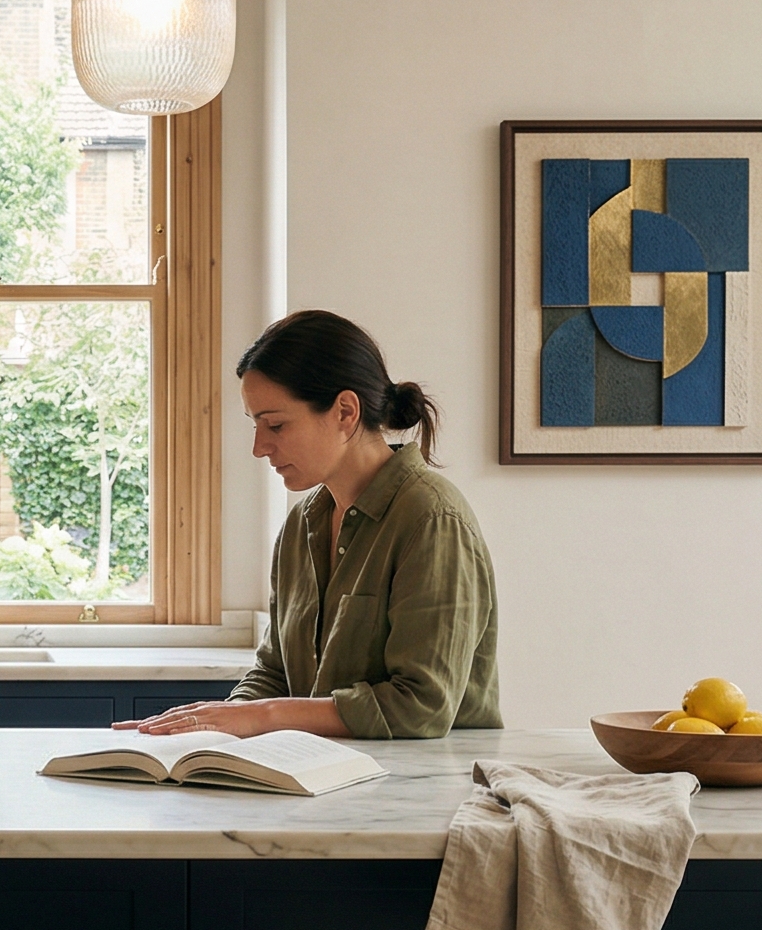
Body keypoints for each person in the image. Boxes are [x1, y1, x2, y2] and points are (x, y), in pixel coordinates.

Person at [122, 309, 500, 741]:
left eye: (276, 424)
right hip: (316, 785)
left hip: (414, 795)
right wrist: (210, 729)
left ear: (344, 411)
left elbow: (421, 707)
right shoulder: (301, 526)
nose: (259, 447)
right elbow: (275, 673)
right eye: (256, 425)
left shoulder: (431, 519)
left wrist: (263, 717)